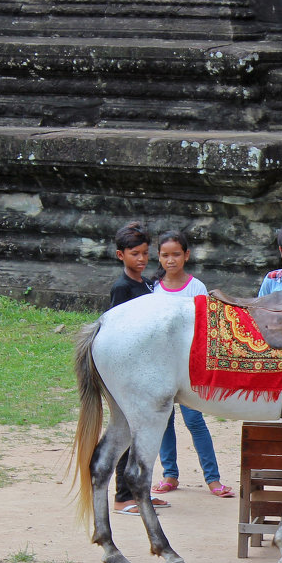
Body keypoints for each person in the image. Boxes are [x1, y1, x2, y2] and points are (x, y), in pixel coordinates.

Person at [150, 230, 234, 499]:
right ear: (159, 257)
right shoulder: (153, 288)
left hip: (188, 366)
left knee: (195, 421)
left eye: (176, 254)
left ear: (186, 255)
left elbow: (204, 329)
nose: (171, 260)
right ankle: (169, 474)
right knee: (164, 421)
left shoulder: (196, 288)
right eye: (165, 255)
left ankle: (213, 479)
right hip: (161, 364)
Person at [109, 221, 171, 516]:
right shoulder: (122, 288)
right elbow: (117, 331)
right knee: (129, 433)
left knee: (147, 433)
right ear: (121, 255)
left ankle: (141, 491)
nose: (142, 259)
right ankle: (123, 496)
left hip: (150, 368)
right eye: (135, 253)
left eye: (145, 253)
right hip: (130, 370)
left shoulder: (147, 284)